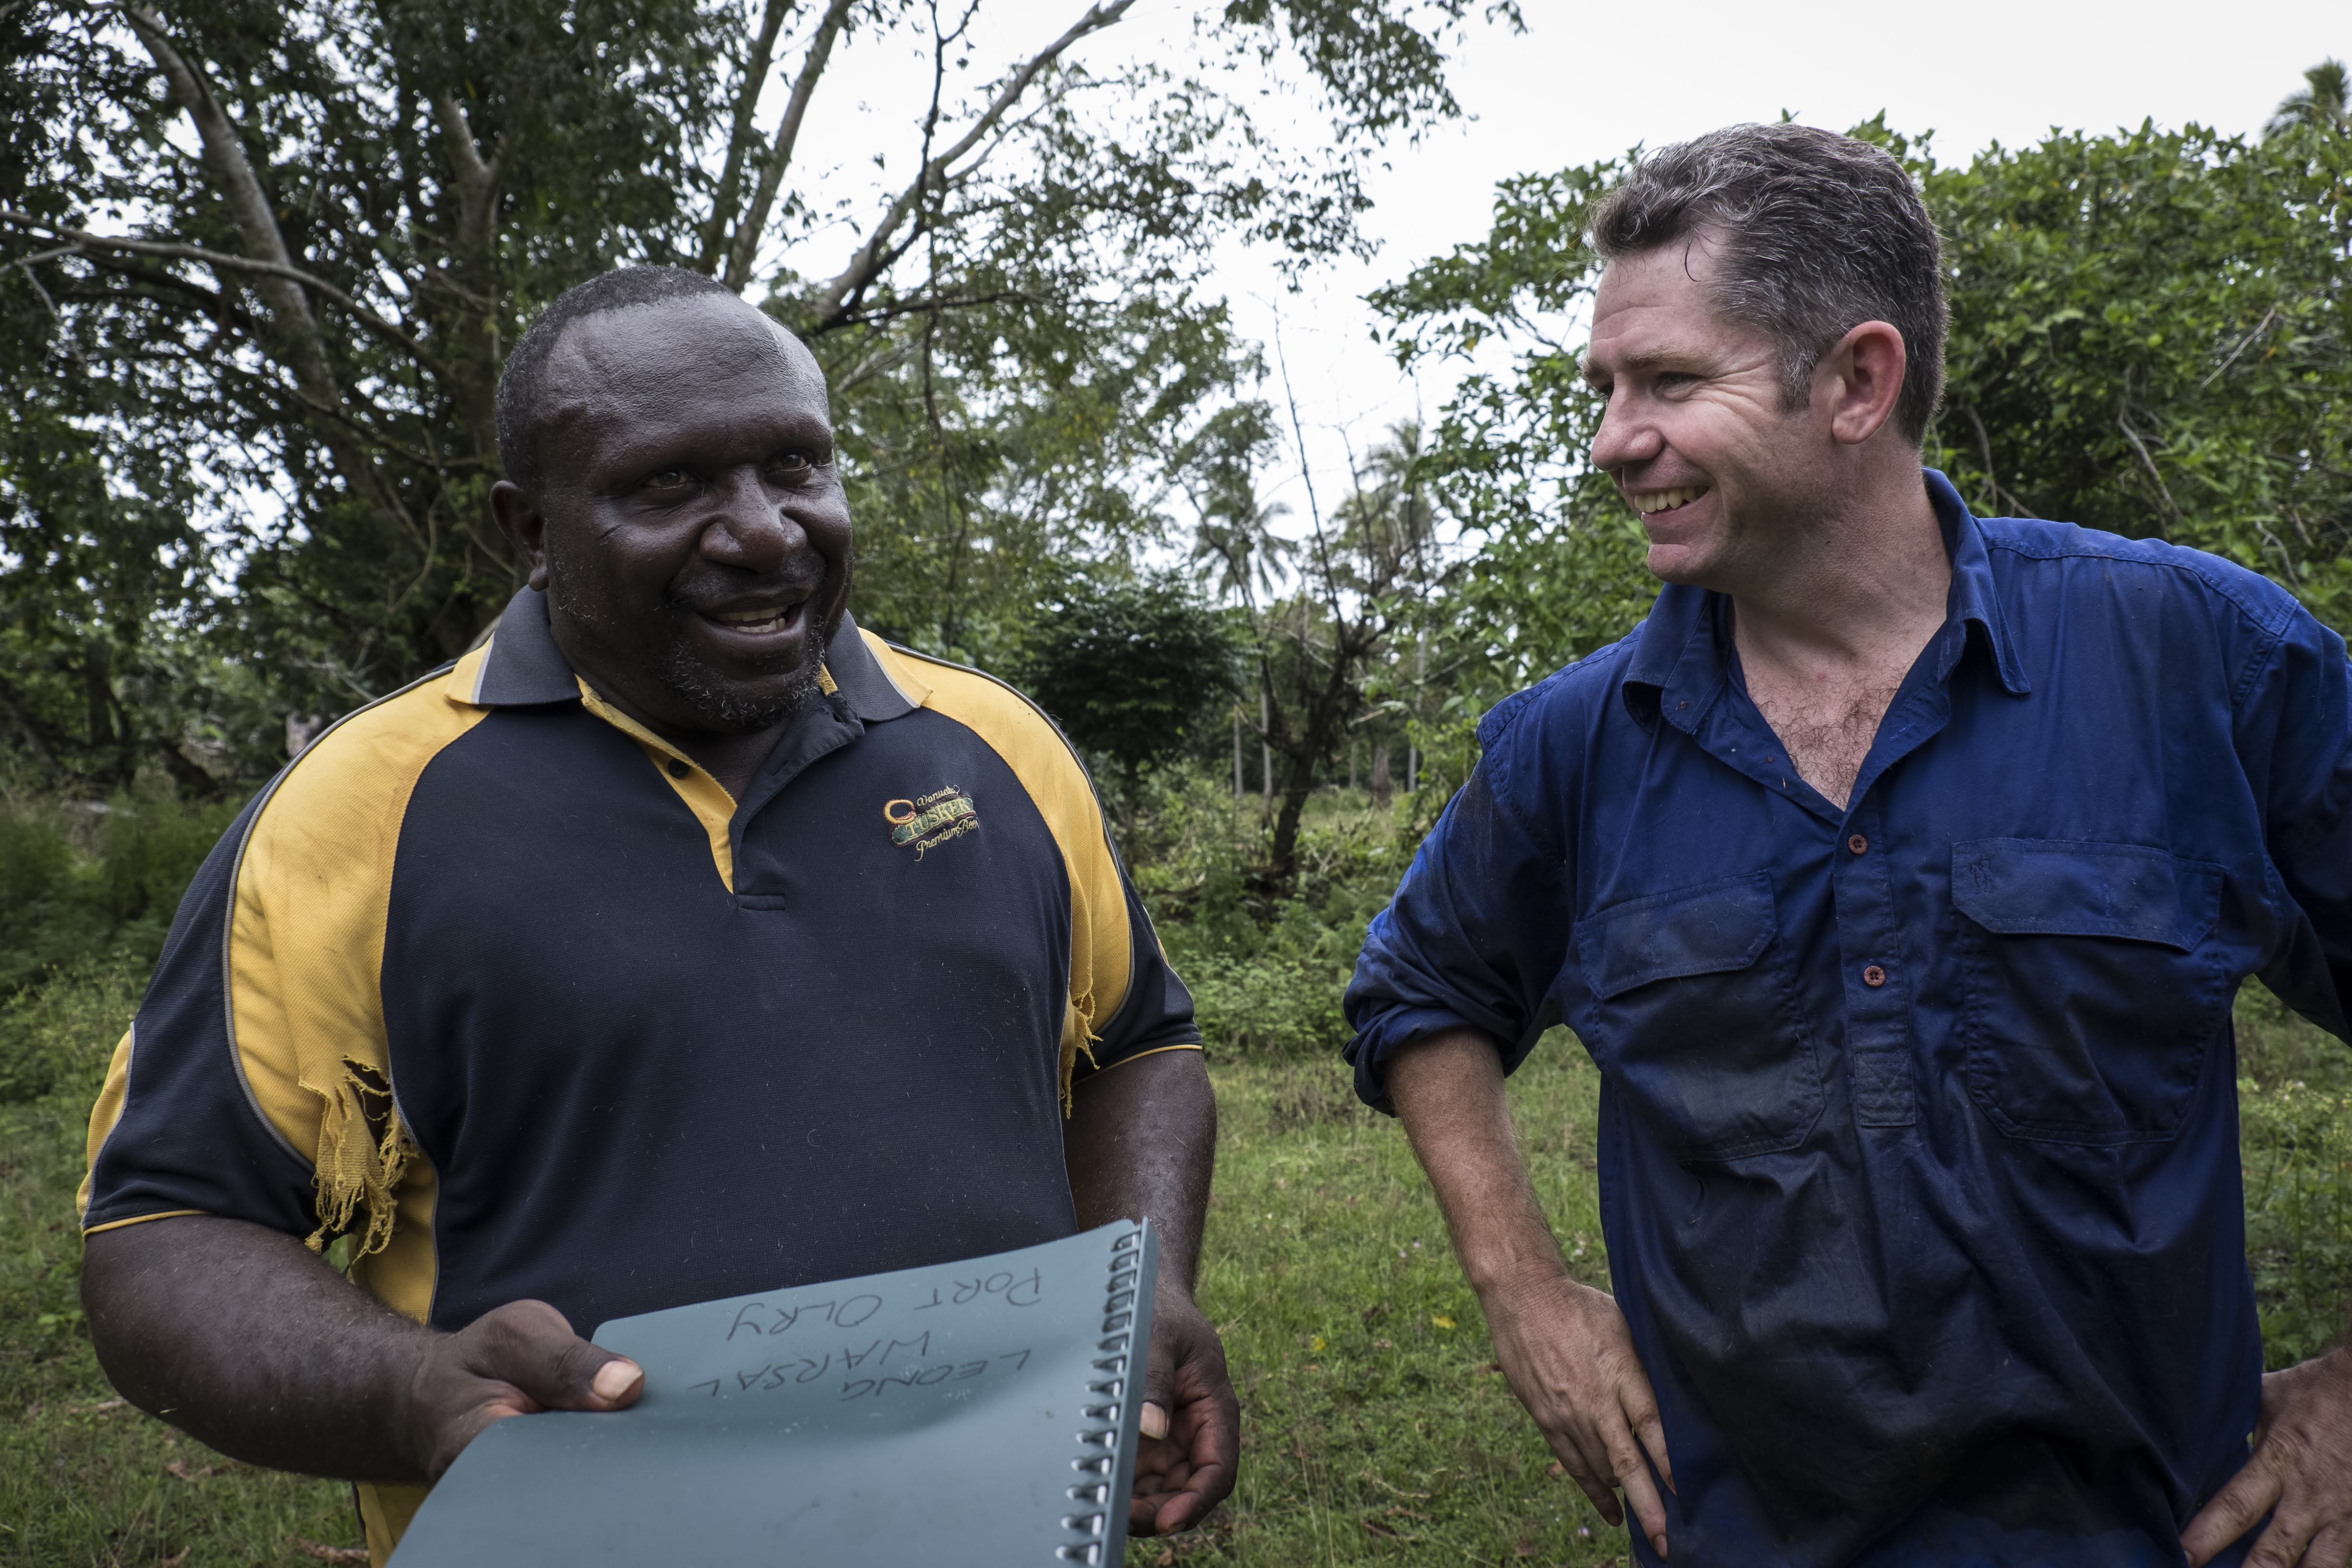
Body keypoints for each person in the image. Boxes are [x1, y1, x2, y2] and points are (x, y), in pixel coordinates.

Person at [76, 266, 1237, 1564]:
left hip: (995, 1531)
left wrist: (1147, 1284)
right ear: (531, 526)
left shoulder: (991, 750)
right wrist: (411, 1393)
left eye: (795, 465)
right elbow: (163, 1234)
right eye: (667, 485)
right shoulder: (359, 813)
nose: (761, 532)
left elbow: (1139, 1042)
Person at [1342, 122, 2352, 1568]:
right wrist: (1519, 1288)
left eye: (1671, 381)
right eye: (1606, 387)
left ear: (1856, 380)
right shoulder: (1575, 744)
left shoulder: (2195, 659)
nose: (1612, 439)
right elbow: (1420, 991)